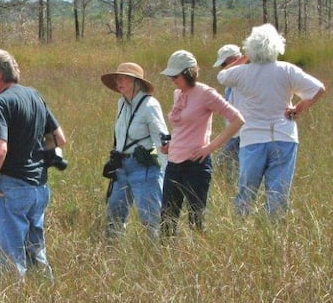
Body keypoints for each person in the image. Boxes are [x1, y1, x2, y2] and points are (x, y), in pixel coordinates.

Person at [0, 48, 66, 280]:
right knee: (36, 252)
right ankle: (45, 293)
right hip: (38, 188)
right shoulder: (34, 95)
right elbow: (59, 138)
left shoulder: (1, 103)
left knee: (8, 261)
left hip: (11, 188)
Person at [218, 24, 325, 216]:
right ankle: (274, 233)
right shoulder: (287, 70)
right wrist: (297, 109)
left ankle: (242, 231)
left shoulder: (243, 72)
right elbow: (318, 89)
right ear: (277, 46)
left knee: (247, 191)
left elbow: (221, 75)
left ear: (250, 48)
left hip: (252, 139)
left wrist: (245, 58)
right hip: (284, 136)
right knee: (278, 193)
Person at [159, 50, 244, 236]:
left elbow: (237, 120)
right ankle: (166, 258)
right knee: (167, 220)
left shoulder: (206, 93)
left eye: (176, 75)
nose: (172, 79)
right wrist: (170, 145)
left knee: (196, 220)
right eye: (170, 76)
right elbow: (183, 128)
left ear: (189, 73)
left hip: (196, 165)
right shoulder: (177, 94)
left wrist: (210, 147)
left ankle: (196, 257)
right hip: (174, 163)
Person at [100, 62, 169, 239]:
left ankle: (157, 256)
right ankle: (113, 256)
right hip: (121, 167)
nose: (119, 81)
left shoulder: (150, 105)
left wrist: (167, 171)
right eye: (118, 78)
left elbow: (162, 140)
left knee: (151, 219)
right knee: (114, 215)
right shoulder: (121, 104)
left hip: (144, 169)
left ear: (137, 82)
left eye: (124, 78)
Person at [213, 44, 244, 182]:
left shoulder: (245, 76)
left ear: (236, 59)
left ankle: (233, 190)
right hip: (233, 132)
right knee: (230, 166)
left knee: (223, 162)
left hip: (243, 132)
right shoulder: (228, 81)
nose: (223, 67)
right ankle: (232, 189)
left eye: (225, 63)